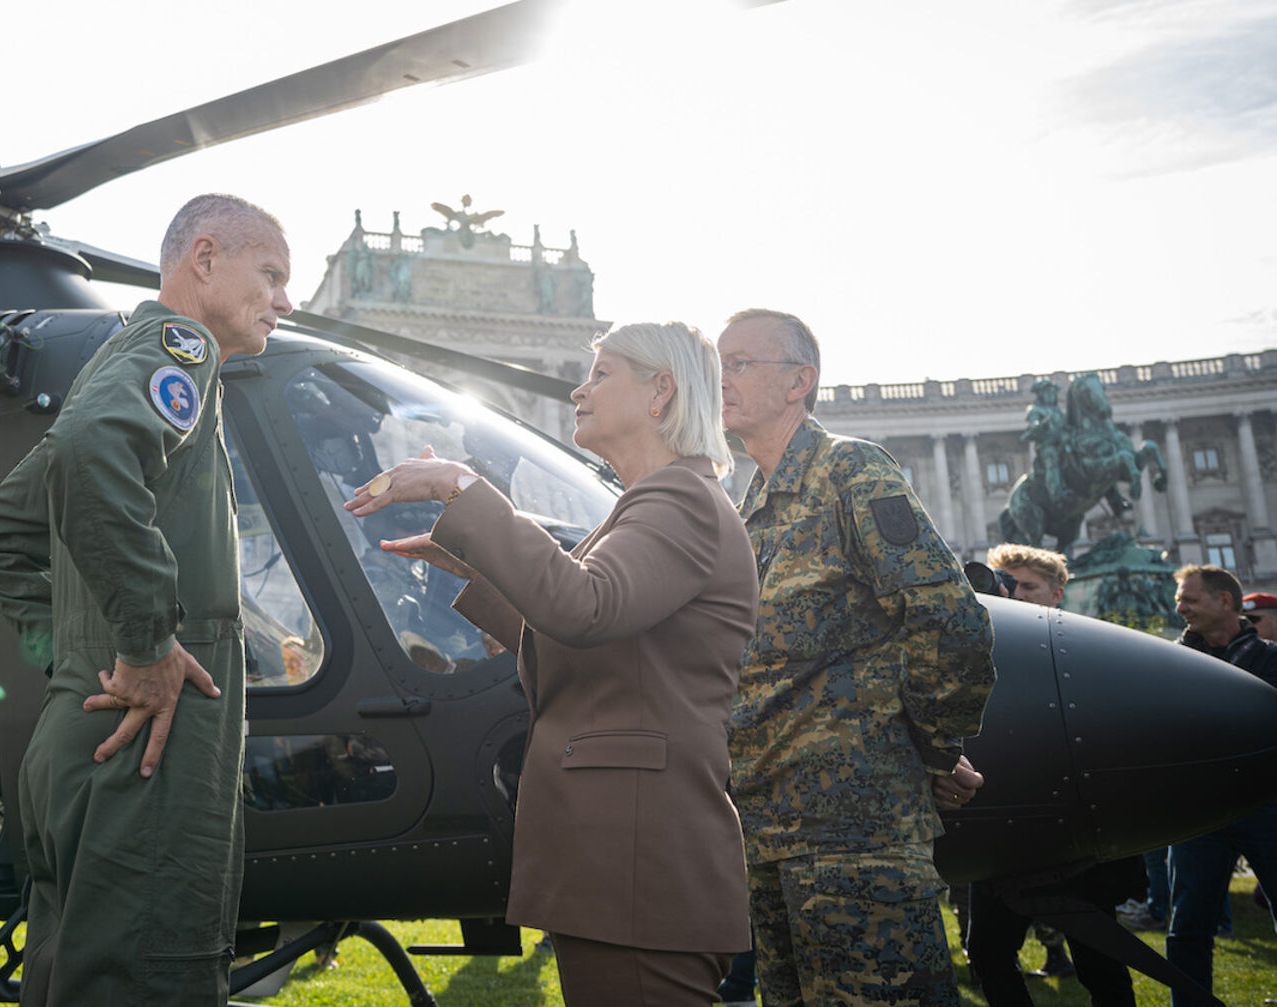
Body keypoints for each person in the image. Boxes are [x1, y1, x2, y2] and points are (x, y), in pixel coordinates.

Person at [345, 321, 755, 1004]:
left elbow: (583, 606)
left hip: (635, 863)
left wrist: (460, 484)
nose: (578, 390)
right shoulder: (655, 505)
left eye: (601, 374)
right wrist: (478, 565)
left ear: (661, 390)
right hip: (621, 860)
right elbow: (594, 641)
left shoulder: (679, 500)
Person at [0, 193, 292, 1006]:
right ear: (205, 259)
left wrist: (83, 655)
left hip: (81, 741)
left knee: (75, 977)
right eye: (271, 274)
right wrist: (144, 644)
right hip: (145, 752)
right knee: (151, 977)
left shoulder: (112, 366)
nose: (285, 301)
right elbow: (91, 451)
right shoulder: (181, 350)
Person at [718, 308, 996, 1005]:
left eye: (739, 363)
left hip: (856, 832)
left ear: (798, 382)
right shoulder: (753, 506)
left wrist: (932, 749)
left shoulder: (851, 471)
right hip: (772, 831)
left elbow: (947, 616)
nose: (720, 378)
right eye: (718, 363)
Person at [964, 544, 1147, 1006]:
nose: (1018, 595)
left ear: (1056, 593)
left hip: (1074, 836)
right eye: (1010, 585)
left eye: (1029, 586)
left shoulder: (1082, 645)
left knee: (1100, 962)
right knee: (987, 953)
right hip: (1005, 838)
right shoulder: (978, 647)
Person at [1164, 564, 1277, 1007]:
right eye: (1179, 599)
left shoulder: (1270, 658)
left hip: (1264, 805)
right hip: (1198, 813)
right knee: (1187, 927)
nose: (1180, 608)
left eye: (1189, 599)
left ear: (1224, 600)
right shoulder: (1169, 661)